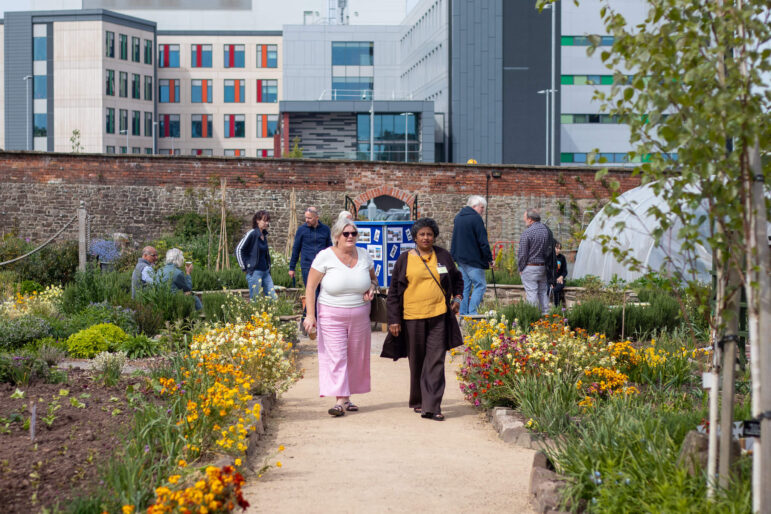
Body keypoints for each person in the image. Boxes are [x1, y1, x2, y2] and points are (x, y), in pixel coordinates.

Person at [385, 218, 463, 421]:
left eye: (429, 234)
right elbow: (393, 292)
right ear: (415, 237)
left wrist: (457, 298)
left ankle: (433, 406)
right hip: (412, 317)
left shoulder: (443, 256)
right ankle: (419, 400)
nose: (426, 238)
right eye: (422, 234)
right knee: (417, 360)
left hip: (439, 316)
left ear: (434, 236)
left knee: (436, 360)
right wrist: (394, 320)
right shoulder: (404, 259)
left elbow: (457, 278)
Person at [303, 217, 378, 417]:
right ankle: (339, 400)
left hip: (360, 314)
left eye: (353, 233)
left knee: (356, 356)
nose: (350, 237)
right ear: (337, 236)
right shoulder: (324, 256)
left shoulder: (364, 255)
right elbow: (311, 286)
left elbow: (373, 280)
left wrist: (371, 288)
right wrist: (310, 315)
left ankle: (346, 397)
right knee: (336, 355)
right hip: (331, 314)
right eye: (346, 234)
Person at [450, 195, 493, 316]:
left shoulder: (458, 217)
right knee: (480, 285)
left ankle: (463, 313)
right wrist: (489, 258)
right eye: (482, 207)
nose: (483, 210)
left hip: (460, 258)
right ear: (474, 206)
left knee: (465, 286)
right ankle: (472, 312)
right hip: (473, 259)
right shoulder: (476, 218)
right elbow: (482, 241)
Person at [517, 208, 552, 314]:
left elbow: (522, 254)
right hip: (543, 266)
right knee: (542, 293)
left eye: (525, 219)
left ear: (530, 219)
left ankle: (532, 317)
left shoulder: (527, 233)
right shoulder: (547, 231)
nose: (525, 221)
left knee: (531, 293)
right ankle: (546, 317)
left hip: (530, 266)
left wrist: (521, 268)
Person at [236, 210, 276, 300]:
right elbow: (239, 249)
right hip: (254, 272)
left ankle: (271, 314)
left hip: (265, 272)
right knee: (255, 300)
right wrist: (244, 267)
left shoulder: (264, 236)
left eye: (268, 221)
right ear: (257, 220)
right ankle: (254, 314)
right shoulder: (252, 233)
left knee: (273, 298)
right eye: (264, 220)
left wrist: (268, 268)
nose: (267, 223)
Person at [288, 206, 333, 287]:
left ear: (316, 218)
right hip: (307, 265)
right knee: (311, 289)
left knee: (323, 290)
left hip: (322, 265)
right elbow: (296, 249)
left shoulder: (325, 230)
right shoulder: (301, 230)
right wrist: (292, 268)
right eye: (306, 218)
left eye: (309, 218)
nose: (306, 220)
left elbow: (329, 248)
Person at [551, 242, 568, 307]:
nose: (558, 250)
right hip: (551, 280)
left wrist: (561, 277)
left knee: (556, 289)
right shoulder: (549, 258)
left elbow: (565, 271)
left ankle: (557, 308)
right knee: (552, 290)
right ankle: (557, 308)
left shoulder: (562, 258)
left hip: (560, 280)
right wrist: (551, 282)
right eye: (556, 248)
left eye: (559, 248)